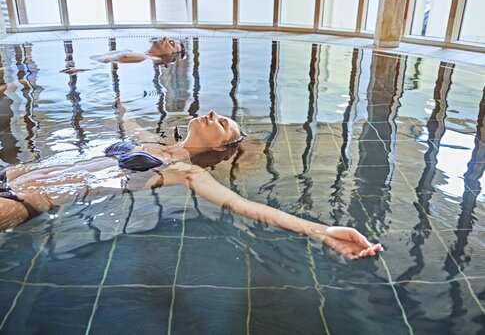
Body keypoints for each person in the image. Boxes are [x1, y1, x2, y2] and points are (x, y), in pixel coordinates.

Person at [0, 110, 382, 259]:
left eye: (223, 123)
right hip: (12, 173)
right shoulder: (149, 142)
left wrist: (321, 231)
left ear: (220, 145)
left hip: (24, 198)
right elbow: (125, 117)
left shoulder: (188, 174)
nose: (212, 113)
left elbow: (248, 208)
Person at [91, 37, 185, 65]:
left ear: (170, 55)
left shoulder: (149, 58)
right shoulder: (134, 52)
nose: (166, 38)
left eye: (171, 43)